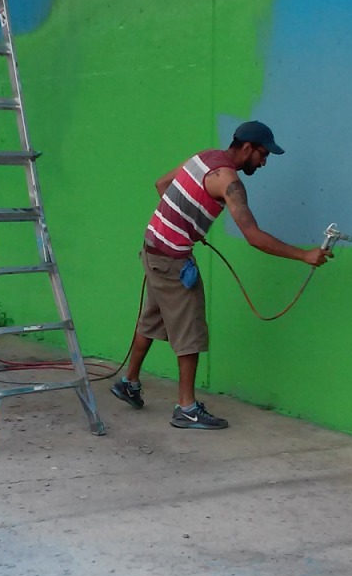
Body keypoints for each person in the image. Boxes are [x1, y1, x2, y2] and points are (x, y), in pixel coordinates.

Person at [111, 120, 331, 429]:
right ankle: (186, 409)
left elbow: (162, 184)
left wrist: (184, 224)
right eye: (263, 154)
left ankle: (129, 383)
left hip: (153, 250)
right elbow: (253, 236)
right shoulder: (229, 182)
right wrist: (304, 255)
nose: (264, 162)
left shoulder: (205, 156)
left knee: (153, 318)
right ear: (247, 148)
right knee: (191, 332)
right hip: (172, 260)